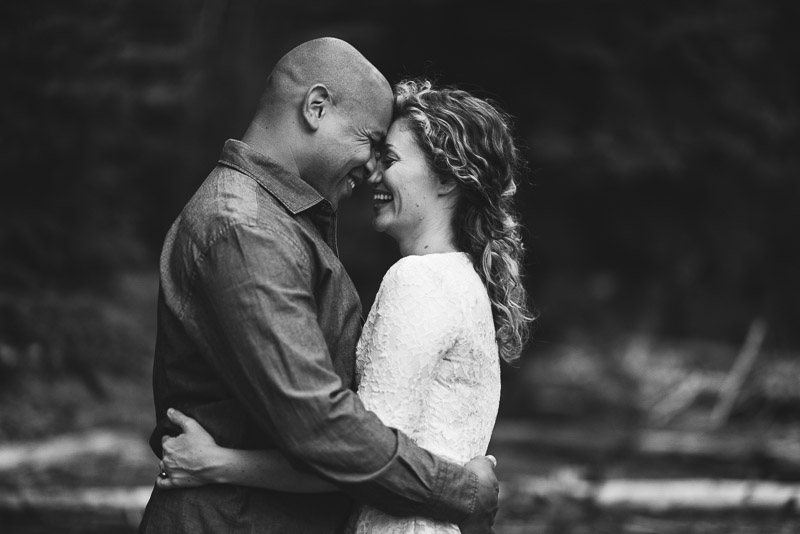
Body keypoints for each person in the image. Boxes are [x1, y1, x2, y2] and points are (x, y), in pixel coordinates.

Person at [138, 39, 501, 534]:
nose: (373, 166)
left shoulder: (283, 223)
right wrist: (461, 491)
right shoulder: (245, 228)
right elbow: (318, 423)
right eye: (371, 142)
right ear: (316, 108)